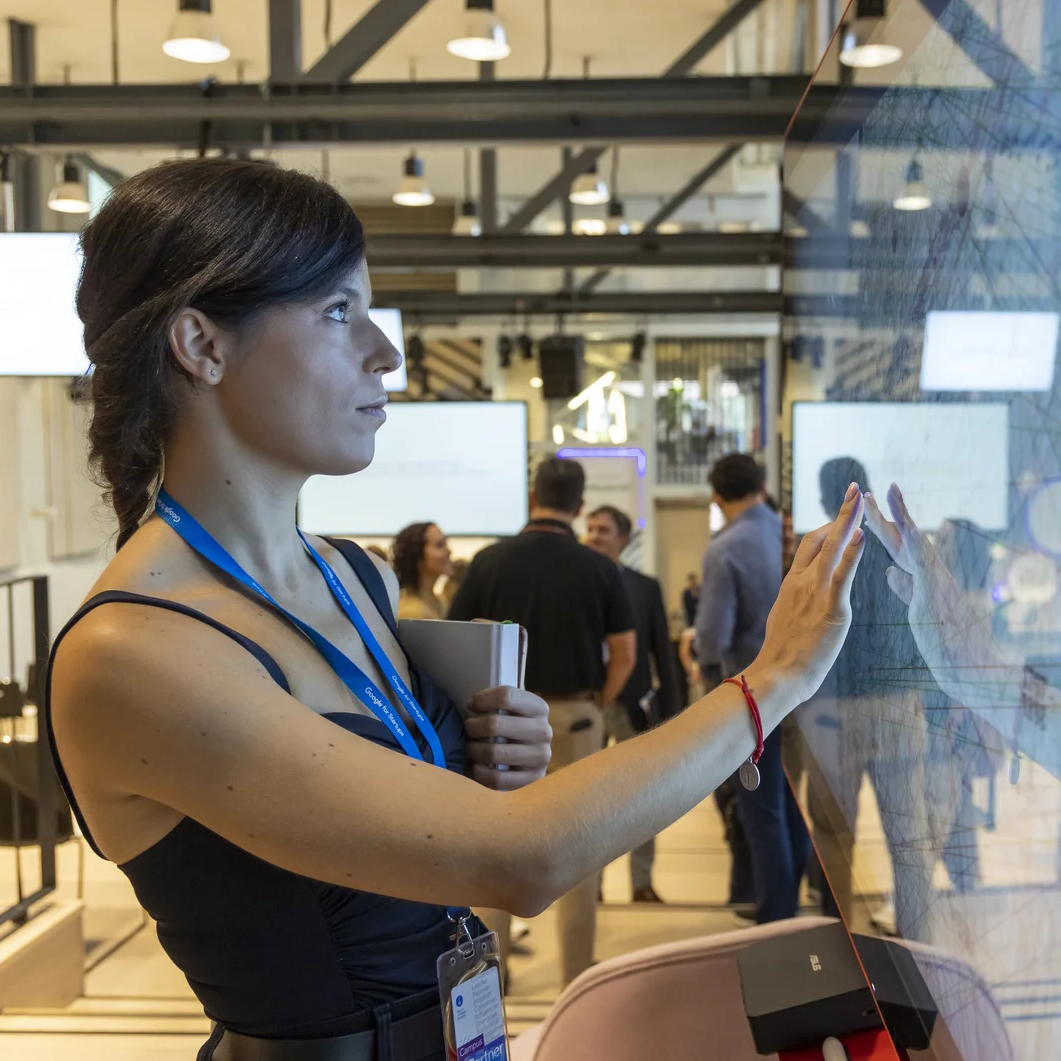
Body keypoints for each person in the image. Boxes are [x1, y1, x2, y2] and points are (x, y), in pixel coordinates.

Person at [47, 157, 867, 1061]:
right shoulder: (133, 651)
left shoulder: (348, 575)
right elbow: (518, 858)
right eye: (336, 313)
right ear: (201, 346)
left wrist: (479, 758)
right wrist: (769, 682)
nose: (385, 352)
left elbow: (421, 822)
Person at [448, 458, 637, 983]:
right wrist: (598, 704)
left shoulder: (489, 561)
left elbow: (459, 636)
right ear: (578, 506)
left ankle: (490, 971)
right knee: (581, 846)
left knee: (496, 845)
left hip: (502, 715)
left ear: (533, 495)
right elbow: (624, 652)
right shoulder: (600, 568)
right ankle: (576, 972)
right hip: (577, 717)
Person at [801, 458, 934, 940]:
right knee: (910, 840)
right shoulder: (901, 548)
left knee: (836, 839)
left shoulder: (819, 553)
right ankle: (919, 943)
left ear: (824, 499)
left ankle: (843, 950)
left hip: (832, 712)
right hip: (900, 708)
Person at [696, 452, 810, 924]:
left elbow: (712, 638)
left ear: (717, 498)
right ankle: (792, 898)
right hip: (805, 684)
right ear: (763, 485)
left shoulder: (726, 547)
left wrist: (694, 650)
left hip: (752, 693)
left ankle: (776, 911)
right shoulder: (791, 535)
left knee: (760, 805)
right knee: (788, 801)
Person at [585, 504, 681, 903]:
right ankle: (591, 886)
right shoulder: (576, 582)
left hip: (632, 703)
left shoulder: (645, 587)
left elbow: (661, 649)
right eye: (590, 528)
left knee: (641, 799)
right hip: (587, 703)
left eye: (603, 529)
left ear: (623, 539)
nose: (594, 535)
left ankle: (641, 882)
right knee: (586, 802)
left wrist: (675, 713)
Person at [392, 521, 452, 620]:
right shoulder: (411, 611)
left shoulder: (438, 601)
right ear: (418, 556)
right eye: (439, 545)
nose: (449, 551)